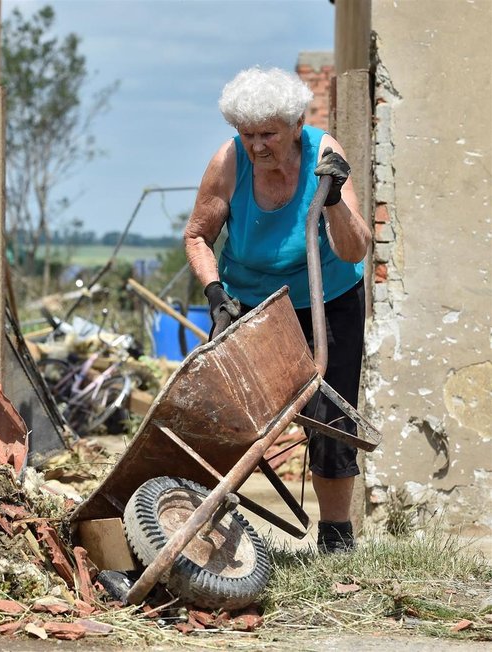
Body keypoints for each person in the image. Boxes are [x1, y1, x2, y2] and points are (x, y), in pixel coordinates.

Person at [183, 67, 372, 553]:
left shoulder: (324, 154)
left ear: (295, 125)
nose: (256, 146)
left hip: (326, 297)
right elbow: (197, 236)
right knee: (230, 411)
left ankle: (336, 536)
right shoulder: (229, 162)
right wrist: (214, 291)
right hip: (252, 299)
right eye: (247, 134)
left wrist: (331, 201)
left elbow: (355, 251)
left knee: (330, 415)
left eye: (267, 133)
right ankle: (205, 520)